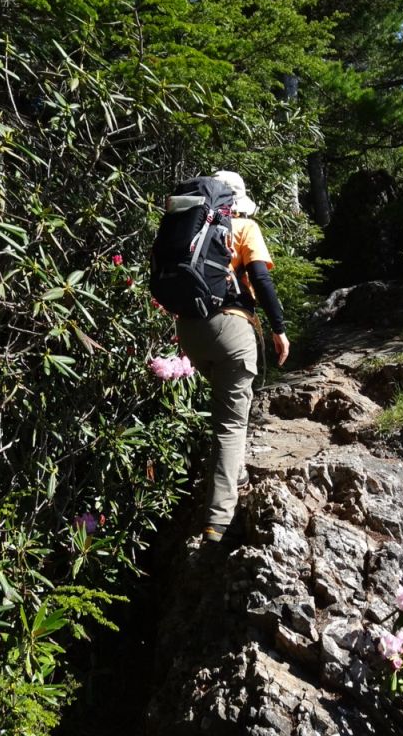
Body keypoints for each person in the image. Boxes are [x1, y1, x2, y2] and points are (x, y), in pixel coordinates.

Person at [174, 170, 290, 543]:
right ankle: (218, 521)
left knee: (227, 408)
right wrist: (279, 328)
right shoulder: (243, 227)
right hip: (232, 329)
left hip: (190, 331)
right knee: (230, 424)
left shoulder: (192, 227)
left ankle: (236, 473)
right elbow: (261, 279)